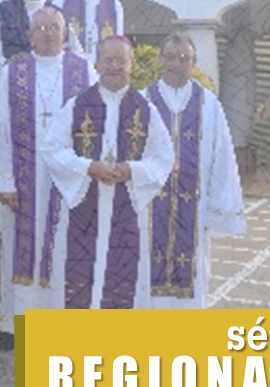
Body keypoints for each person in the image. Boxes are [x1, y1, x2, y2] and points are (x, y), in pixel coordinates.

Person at [41, 35, 173, 310]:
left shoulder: (144, 110)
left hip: (126, 210)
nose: (115, 67)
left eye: (121, 61)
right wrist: (88, 167)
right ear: (97, 64)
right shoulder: (78, 105)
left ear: (131, 64)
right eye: (108, 60)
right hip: (83, 208)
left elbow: (163, 157)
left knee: (122, 278)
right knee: (78, 278)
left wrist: (131, 170)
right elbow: (52, 148)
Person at [0, 7, 89, 350]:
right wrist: (3, 180)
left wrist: (87, 175)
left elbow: (95, 124)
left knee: (63, 248)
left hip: (67, 179)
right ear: (29, 34)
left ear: (65, 33)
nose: (48, 34)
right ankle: (13, 325)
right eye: (40, 28)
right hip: (23, 179)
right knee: (18, 247)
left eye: (54, 28)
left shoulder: (83, 69)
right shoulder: (13, 71)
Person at [145, 34, 246, 309]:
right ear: (160, 59)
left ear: (194, 63)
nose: (176, 64)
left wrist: (219, 204)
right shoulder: (143, 101)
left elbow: (222, 156)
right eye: (170, 57)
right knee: (146, 275)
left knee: (193, 276)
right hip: (149, 210)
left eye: (184, 58)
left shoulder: (209, 105)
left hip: (194, 210)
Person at [52, 0, 124, 82]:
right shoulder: (61, 2)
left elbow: (118, 46)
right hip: (67, 77)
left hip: (102, 79)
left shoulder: (114, 5)